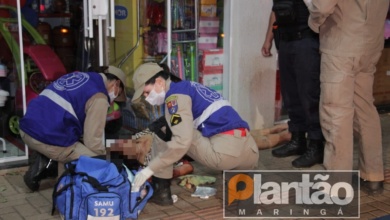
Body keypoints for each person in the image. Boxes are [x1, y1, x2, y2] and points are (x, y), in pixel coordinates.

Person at [130, 62, 259, 206]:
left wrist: (149, 169)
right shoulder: (189, 86)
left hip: (224, 155)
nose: (147, 97)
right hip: (250, 154)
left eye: (147, 92)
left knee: (165, 128)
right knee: (177, 125)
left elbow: (182, 141)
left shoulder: (175, 97)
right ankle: (243, 185)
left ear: (159, 82)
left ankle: (161, 193)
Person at [306, 0, 389, 195]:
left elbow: (322, 6)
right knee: (365, 109)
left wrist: (314, 21)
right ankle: (373, 175)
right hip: (371, 43)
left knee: (335, 113)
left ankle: (336, 186)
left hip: (341, 44)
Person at [19, 66, 127, 192]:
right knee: (95, 160)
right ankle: (65, 195)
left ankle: (43, 165)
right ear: (116, 83)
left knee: (73, 145)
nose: (113, 99)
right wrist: (106, 157)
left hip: (27, 126)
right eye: (117, 94)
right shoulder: (99, 97)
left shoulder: (81, 76)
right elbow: (92, 141)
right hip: (43, 135)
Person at [261, 0, 324, 168]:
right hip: (285, 42)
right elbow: (275, 12)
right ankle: (297, 139)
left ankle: (316, 145)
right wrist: (268, 39)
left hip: (306, 41)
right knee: (290, 95)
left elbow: (321, 11)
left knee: (309, 95)